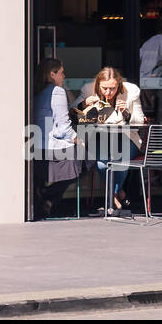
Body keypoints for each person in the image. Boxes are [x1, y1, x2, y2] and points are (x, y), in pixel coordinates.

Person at [73, 67, 144, 216]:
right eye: (104, 88)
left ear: (119, 85)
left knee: (121, 160)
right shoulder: (88, 90)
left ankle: (112, 197)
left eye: (112, 88)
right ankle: (115, 196)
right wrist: (84, 104)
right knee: (101, 163)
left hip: (126, 137)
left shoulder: (131, 92)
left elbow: (139, 122)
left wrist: (126, 113)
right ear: (98, 84)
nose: (108, 93)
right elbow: (72, 112)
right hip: (99, 137)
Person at [30, 57, 81, 220]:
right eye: (61, 72)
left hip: (36, 145)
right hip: (53, 146)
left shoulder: (35, 90)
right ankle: (48, 196)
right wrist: (77, 140)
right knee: (87, 161)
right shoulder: (56, 91)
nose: (63, 76)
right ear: (52, 74)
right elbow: (63, 123)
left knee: (41, 175)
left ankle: (46, 201)